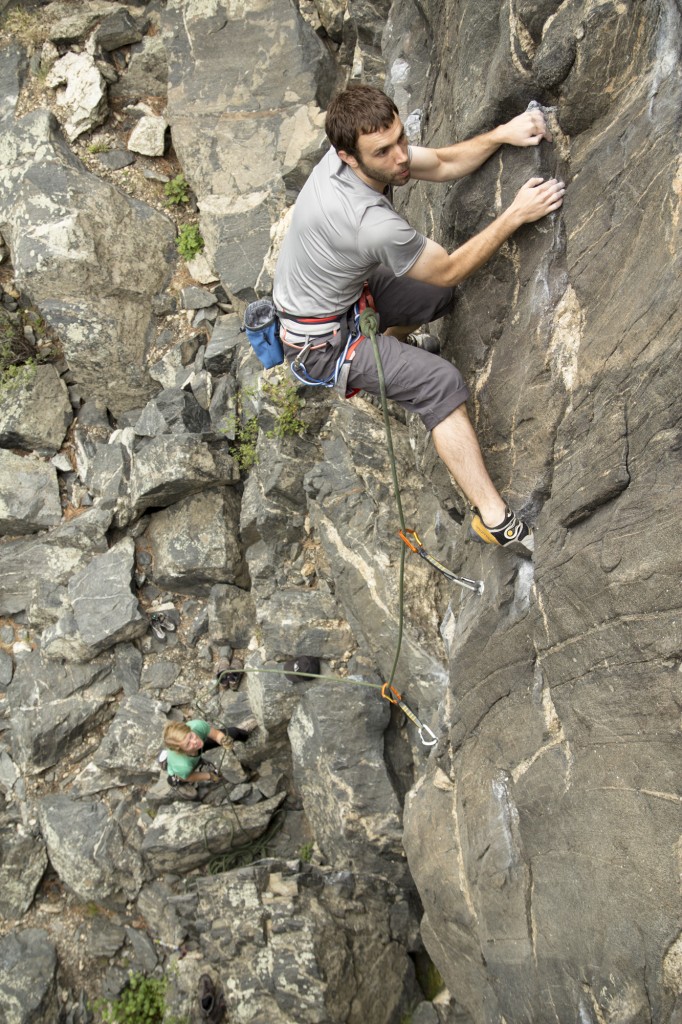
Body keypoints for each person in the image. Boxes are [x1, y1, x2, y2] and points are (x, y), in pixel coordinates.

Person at [273, 85, 566, 554]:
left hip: (342, 300)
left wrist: (502, 135)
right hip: (323, 344)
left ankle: (391, 348)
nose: (401, 158)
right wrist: (516, 214)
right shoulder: (365, 218)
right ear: (346, 157)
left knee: (436, 295)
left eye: (401, 139)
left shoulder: (365, 157)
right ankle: (496, 521)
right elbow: (449, 264)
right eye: (384, 152)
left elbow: (443, 164)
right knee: (438, 384)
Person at [162, 719, 251, 784]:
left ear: (189, 729)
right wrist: (209, 776)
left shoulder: (196, 726)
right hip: (185, 764)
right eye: (188, 744)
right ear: (181, 750)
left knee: (234, 732)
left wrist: (223, 740)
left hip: (197, 749)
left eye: (191, 736)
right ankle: (171, 776)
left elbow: (216, 735)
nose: (194, 741)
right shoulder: (182, 765)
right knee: (183, 776)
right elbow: (186, 777)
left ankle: (247, 735)